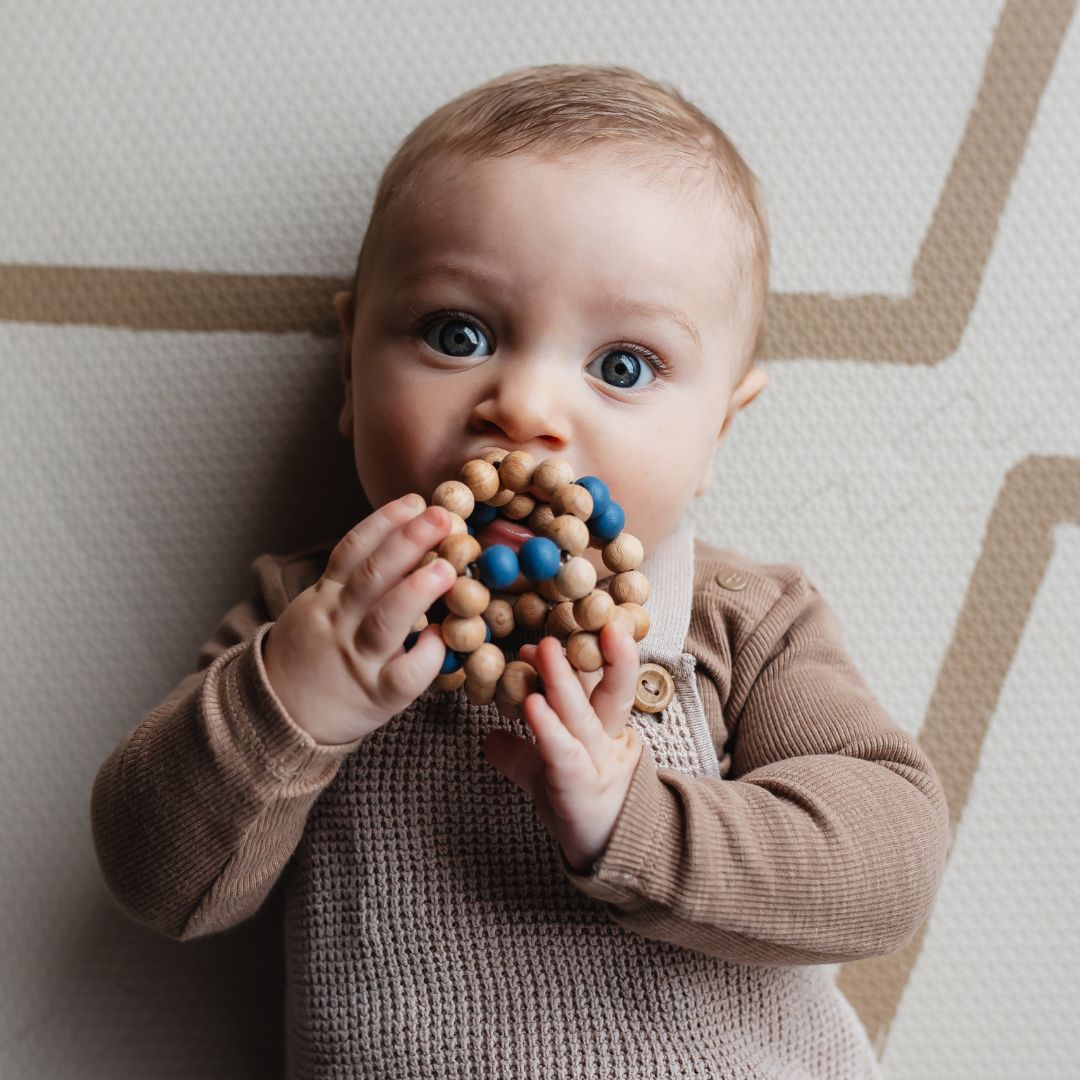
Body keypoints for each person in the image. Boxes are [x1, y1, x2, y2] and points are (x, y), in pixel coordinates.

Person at [90, 63, 950, 1078]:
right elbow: (160, 880)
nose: (526, 406)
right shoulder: (311, 619)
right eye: (458, 334)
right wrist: (299, 696)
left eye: (622, 365)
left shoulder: (737, 620)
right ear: (350, 365)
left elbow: (888, 868)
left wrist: (636, 820)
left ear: (718, 430)